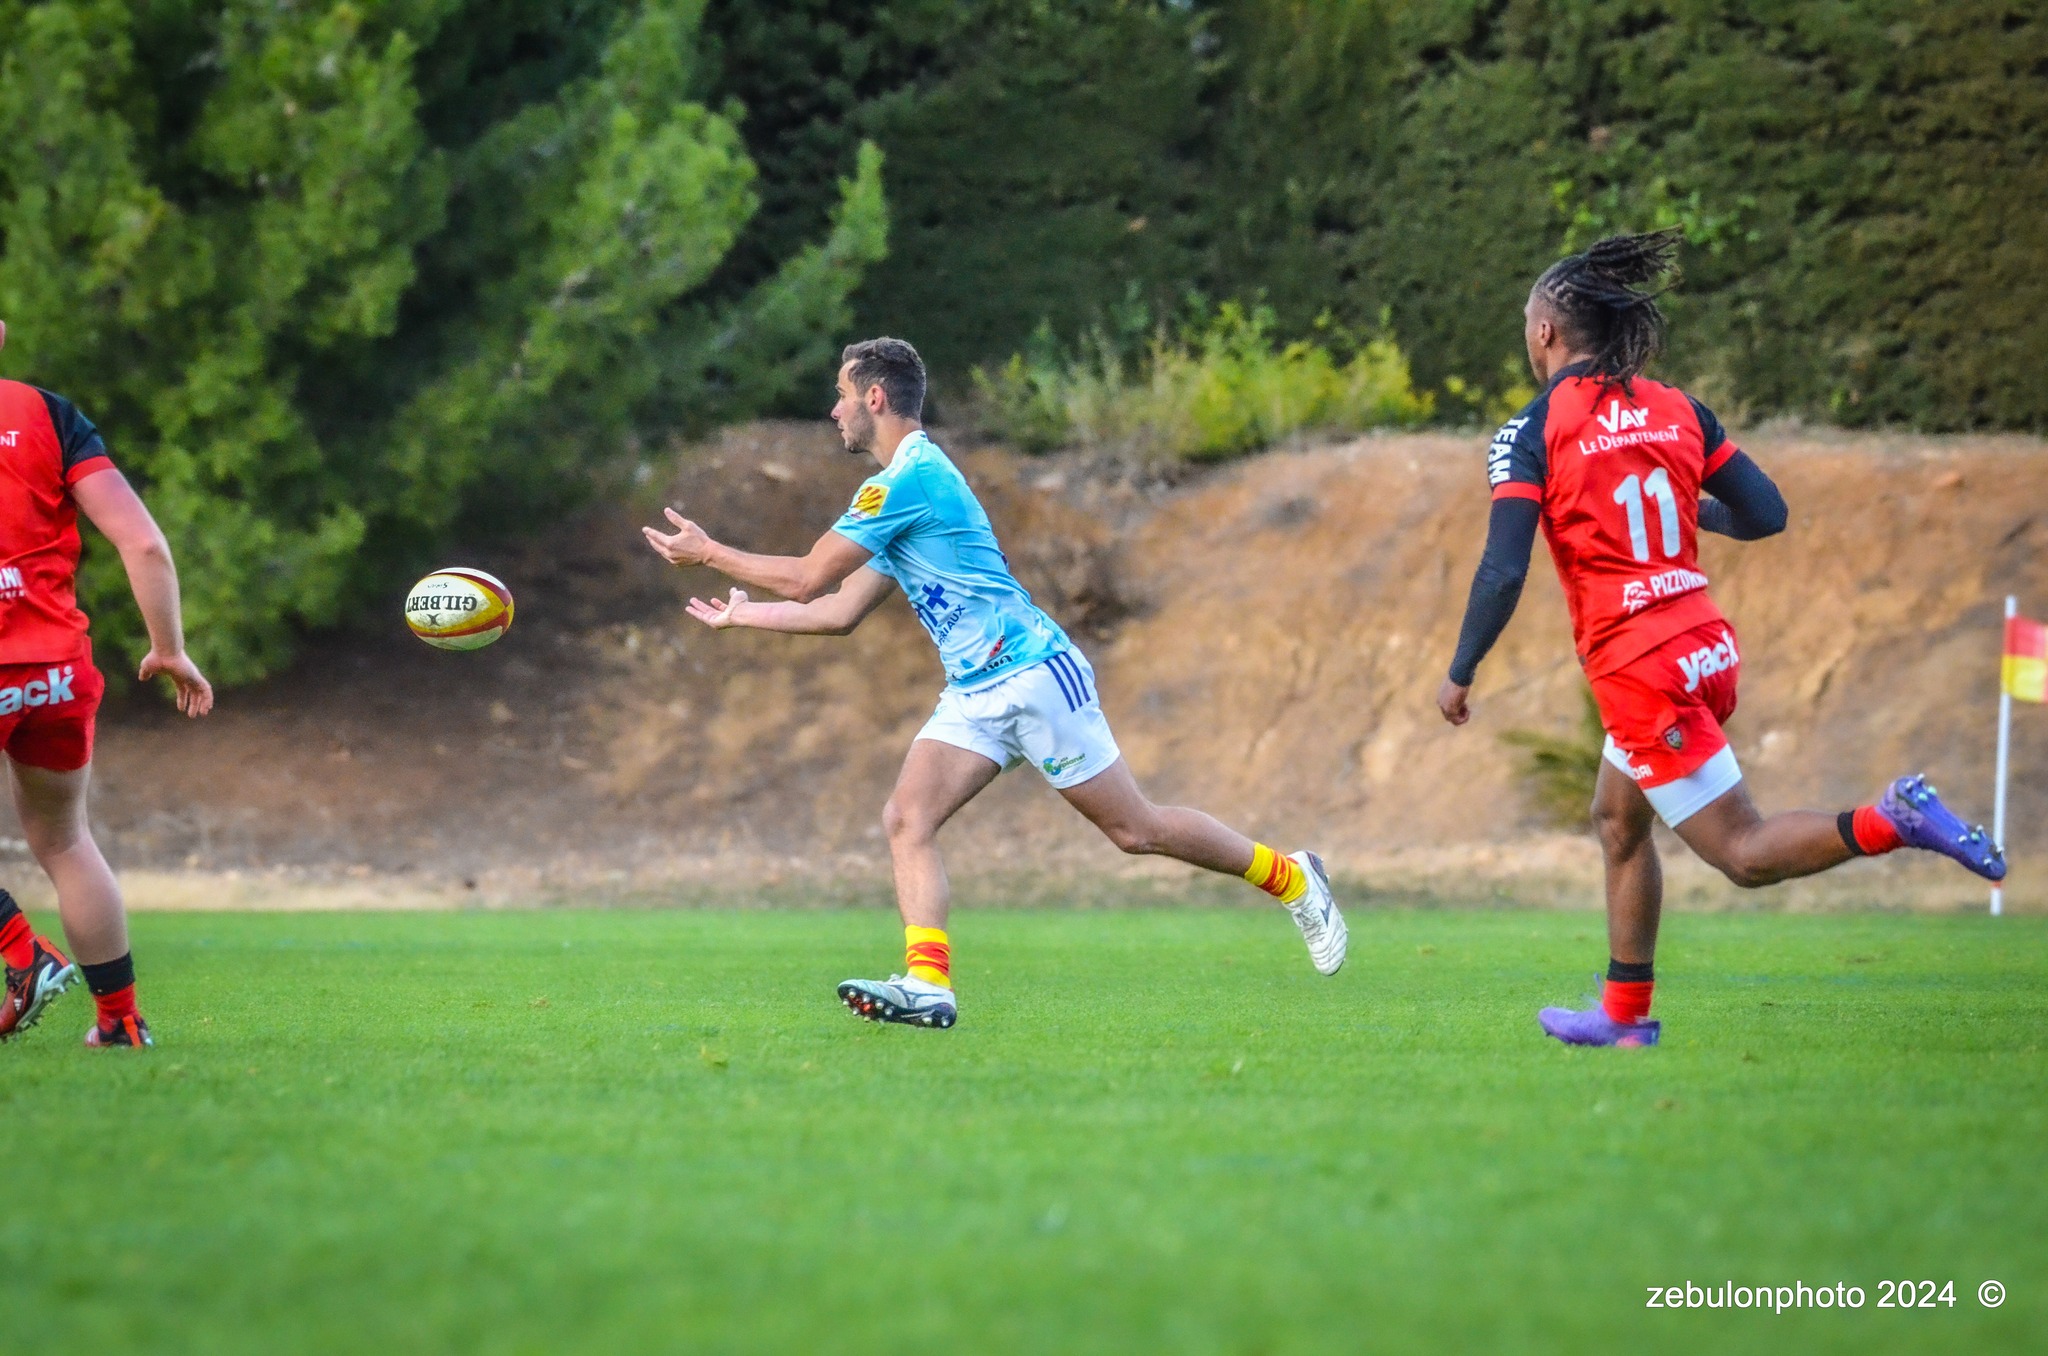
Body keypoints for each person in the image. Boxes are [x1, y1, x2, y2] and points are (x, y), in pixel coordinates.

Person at [644, 337, 1346, 1028]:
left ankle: (1292, 877)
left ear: (874, 398)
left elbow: (808, 576)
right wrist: (744, 616)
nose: (834, 410)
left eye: (841, 394)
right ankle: (928, 985)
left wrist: (709, 553)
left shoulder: (906, 482)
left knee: (1137, 831)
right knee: (906, 818)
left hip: (1035, 673)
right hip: (976, 693)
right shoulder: (907, 491)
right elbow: (837, 613)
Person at [1434, 230, 2004, 1049]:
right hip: (1703, 645)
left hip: (1639, 669)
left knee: (1742, 853)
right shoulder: (1678, 409)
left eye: (1529, 322)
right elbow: (1766, 514)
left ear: (1547, 333)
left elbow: (1501, 569)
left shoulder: (1529, 432)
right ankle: (1626, 1021)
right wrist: (1685, 510)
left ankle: (1893, 819)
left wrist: (1461, 671)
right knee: (1618, 820)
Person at [0, 319, 214, 1049]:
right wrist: (170, 650)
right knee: (64, 841)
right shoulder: (51, 417)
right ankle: (120, 1022)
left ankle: (25, 953)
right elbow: (144, 541)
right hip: (55, 672)